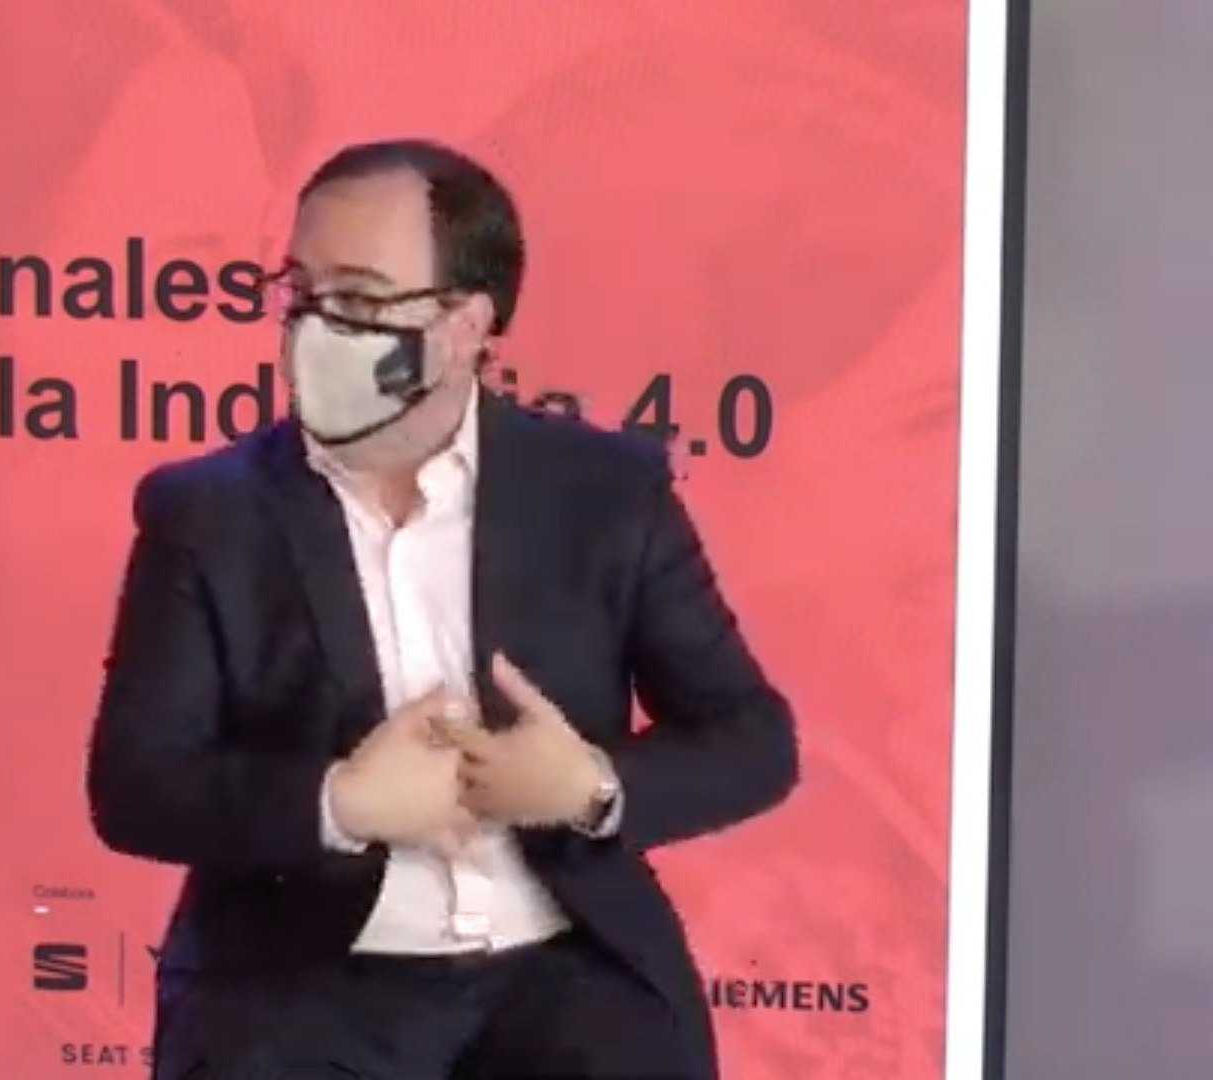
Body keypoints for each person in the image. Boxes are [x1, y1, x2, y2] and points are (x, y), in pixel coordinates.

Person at [87, 138, 799, 1079]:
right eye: (300, 293)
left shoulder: (604, 493)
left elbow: (754, 740)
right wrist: (340, 803)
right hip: (306, 977)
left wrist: (588, 788)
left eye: (359, 300)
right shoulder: (208, 514)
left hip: (562, 966)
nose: (314, 330)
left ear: (467, 325)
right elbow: (136, 786)